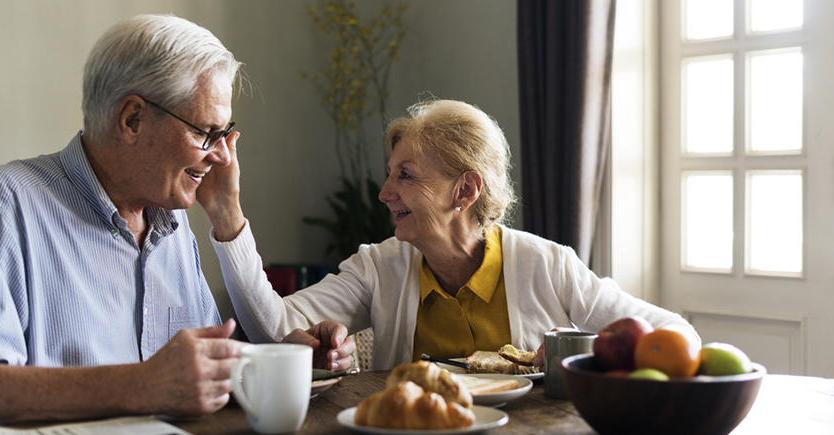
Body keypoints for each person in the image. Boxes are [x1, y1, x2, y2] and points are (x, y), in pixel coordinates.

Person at [0, 14, 353, 430]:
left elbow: (193, 373)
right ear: (132, 119)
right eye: (206, 132)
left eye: (227, 134)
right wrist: (141, 385)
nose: (222, 155)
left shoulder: (171, 223)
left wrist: (279, 363)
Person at [208, 98, 700, 371]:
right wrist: (228, 217)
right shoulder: (378, 267)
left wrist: (575, 357)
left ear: (464, 190)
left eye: (406, 175)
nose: (383, 193)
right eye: (389, 173)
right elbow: (273, 327)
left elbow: (676, 335)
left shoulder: (547, 266)